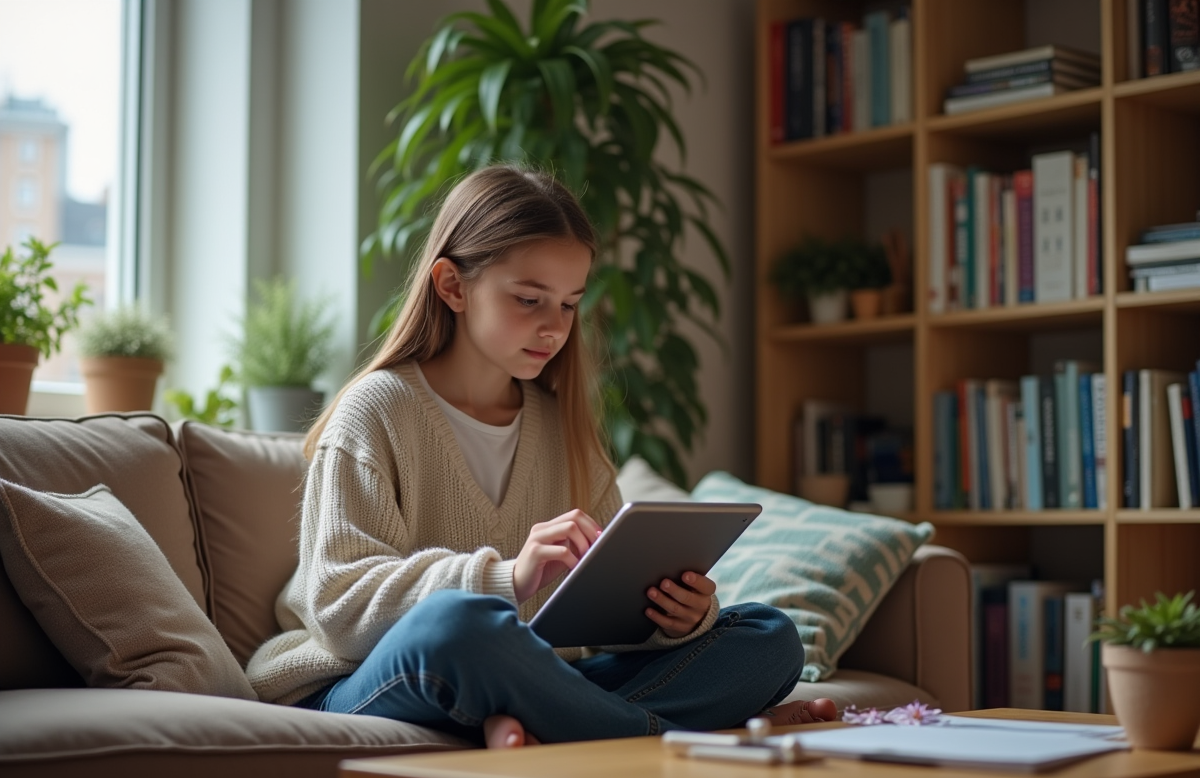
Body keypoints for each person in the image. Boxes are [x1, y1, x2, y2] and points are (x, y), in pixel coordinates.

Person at [245, 164, 836, 748]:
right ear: (452, 286)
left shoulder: (564, 429)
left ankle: (541, 723)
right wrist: (507, 577)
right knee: (460, 625)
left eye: (569, 304)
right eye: (529, 299)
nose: (554, 328)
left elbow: (599, 624)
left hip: (534, 677)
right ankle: (668, 732)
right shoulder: (375, 411)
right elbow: (338, 606)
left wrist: (670, 619)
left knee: (768, 635)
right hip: (366, 677)